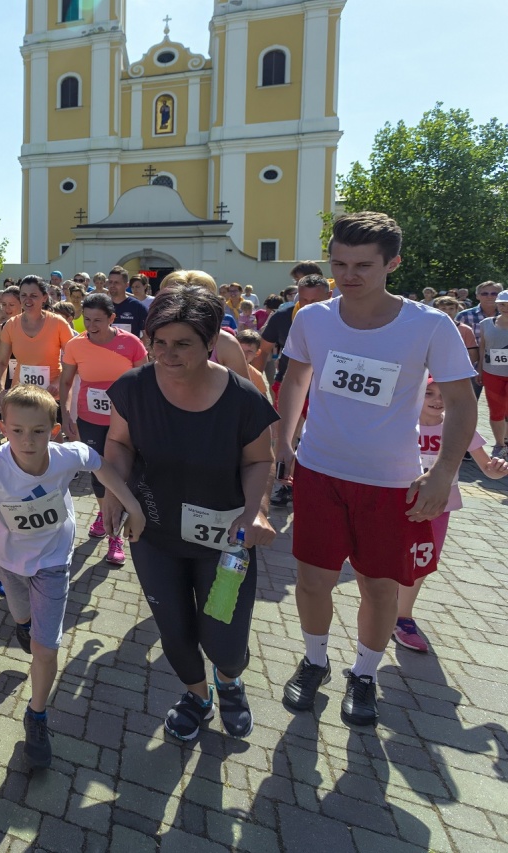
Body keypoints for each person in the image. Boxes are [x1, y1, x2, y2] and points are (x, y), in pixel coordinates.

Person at [274, 212, 477, 727]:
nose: (349, 275)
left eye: (364, 265)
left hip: (390, 482)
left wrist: (444, 473)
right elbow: (296, 379)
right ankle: (315, 660)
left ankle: (364, 673)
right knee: (313, 581)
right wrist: (285, 439)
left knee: (380, 588)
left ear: (393, 263)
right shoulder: (312, 318)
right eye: (339, 263)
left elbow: (460, 401)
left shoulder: (430, 324)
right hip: (320, 473)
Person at [103, 287, 279, 741]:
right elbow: (119, 445)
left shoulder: (243, 399)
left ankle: (229, 680)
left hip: (225, 541)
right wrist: (116, 494)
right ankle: (198, 696)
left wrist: (256, 511)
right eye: (158, 342)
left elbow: (261, 460)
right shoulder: (132, 388)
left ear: (209, 343)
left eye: (182, 343)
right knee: (176, 632)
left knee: (225, 635)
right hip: (155, 533)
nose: (167, 353)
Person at [0, 385, 145, 767]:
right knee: (23, 622)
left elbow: (100, 465)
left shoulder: (68, 456)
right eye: (16, 431)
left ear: (53, 429)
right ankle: (25, 626)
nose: (27, 440)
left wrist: (130, 503)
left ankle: (36, 715)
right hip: (6, 560)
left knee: (45, 648)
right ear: (3, 428)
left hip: (53, 561)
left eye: (37, 431)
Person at [398, 379, 508, 651]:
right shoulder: (401, 422)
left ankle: (403, 617)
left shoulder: (459, 426)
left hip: (439, 507)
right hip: (399, 506)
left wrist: (496, 469)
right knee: (390, 558)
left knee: (423, 561)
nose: (437, 400)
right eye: (429, 393)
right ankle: (384, 609)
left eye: (443, 394)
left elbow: (486, 468)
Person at [60, 292, 148, 566]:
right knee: (99, 475)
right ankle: (107, 520)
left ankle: (115, 531)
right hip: (91, 420)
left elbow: (145, 382)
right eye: (87, 319)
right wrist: (65, 415)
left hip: (125, 421)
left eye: (98, 320)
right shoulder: (75, 345)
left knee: (122, 473)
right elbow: (65, 383)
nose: (92, 325)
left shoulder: (131, 343)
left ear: (112, 318)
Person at [256, 272, 334, 508]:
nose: (308, 306)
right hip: (290, 382)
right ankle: (283, 486)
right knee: (285, 438)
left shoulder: (343, 317)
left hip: (325, 388)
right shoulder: (283, 315)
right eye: (303, 300)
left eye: (315, 301)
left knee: (316, 439)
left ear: (329, 296)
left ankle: (316, 486)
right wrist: (253, 383)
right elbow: (264, 349)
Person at [0, 276, 72, 411]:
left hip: (51, 394)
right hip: (20, 393)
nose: (27, 300)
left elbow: (73, 360)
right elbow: (1, 361)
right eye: (23, 295)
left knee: (50, 431)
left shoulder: (58, 323)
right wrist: (0, 390)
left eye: (33, 295)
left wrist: (57, 383)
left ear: (44, 297)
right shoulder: (11, 325)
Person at [477, 291, 508, 454]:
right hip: (492, 373)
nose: (505, 307)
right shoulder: (486, 323)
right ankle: (499, 444)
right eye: (502, 304)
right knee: (496, 410)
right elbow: (483, 347)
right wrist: (480, 369)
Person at [106, 267, 148, 337]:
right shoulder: (102, 306)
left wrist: (138, 347)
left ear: (126, 285)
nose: (112, 285)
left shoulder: (138, 307)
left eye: (116, 282)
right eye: (110, 282)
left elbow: (147, 335)